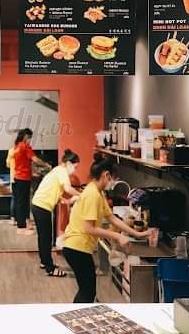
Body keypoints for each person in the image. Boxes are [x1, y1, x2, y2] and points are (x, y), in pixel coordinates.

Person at [63, 154, 152, 303]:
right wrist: (118, 236)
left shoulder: (98, 192)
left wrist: (137, 234)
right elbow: (89, 228)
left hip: (77, 248)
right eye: (113, 179)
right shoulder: (92, 195)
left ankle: (79, 315)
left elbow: (111, 218)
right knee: (87, 292)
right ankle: (77, 316)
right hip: (77, 248)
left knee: (87, 291)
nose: (113, 183)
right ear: (106, 175)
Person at [32, 148, 82, 277]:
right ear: (69, 163)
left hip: (38, 204)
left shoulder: (57, 170)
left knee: (43, 237)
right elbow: (68, 188)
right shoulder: (62, 172)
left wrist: (65, 200)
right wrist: (82, 195)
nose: (74, 170)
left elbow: (53, 189)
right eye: (75, 167)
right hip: (42, 207)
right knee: (46, 238)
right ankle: (50, 269)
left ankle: (44, 262)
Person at [12, 128, 51, 235]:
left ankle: (23, 223)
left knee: (21, 202)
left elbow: (25, 162)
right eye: (30, 138)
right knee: (22, 203)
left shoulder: (17, 146)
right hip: (23, 178)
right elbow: (35, 159)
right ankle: (21, 227)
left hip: (19, 177)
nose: (30, 140)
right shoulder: (25, 147)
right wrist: (46, 165)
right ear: (26, 137)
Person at [5, 144, 16, 225]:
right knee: (23, 200)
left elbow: (8, 165)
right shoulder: (24, 149)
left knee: (14, 198)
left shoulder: (11, 150)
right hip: (22, 177)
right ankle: (23, 219)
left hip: (13, 177)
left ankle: (13, 219)